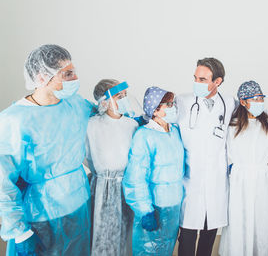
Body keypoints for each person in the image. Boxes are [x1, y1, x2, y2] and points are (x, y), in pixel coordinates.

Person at [0, 44, 94, 255]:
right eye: (67, 74)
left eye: (74, 72)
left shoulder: (75, 104)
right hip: (41, 214)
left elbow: (98, 115)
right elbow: (3, 183)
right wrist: (19, 231)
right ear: (42, 77)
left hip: (79, 205)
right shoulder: (14, 120)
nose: (75, 78)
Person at [176, 58, 236, 256]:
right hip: (190, 178)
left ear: (217, 81)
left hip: (216, 181)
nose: (196, 83)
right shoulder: (182, 101)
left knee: (209, 235)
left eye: (202, 79)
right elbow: (157, 114)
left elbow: (252, 114)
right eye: (195, 78)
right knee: (187, 234)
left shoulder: (228, 103)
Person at [218, 80, 268, 256]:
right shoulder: (232, 127)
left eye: (261, 98)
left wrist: (261, 165)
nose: (259, 102)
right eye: (255, 98)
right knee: (239, 220)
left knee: (263, 220)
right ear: (243, 101)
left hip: (262, 179)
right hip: (239, 180)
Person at [123, 86, 184, 256]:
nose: (173, 107)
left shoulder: (174, 131)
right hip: (155, 205)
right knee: (148, 249)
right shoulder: (144, 136)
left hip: (174, 203)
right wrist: (145, 210)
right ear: (155, 110)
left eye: (172, 103)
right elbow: (135, 178)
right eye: (168, 104)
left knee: (167, 247)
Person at [85, 79, 139, 255]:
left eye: (124, 95)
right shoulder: (92, 125)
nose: (123, 99)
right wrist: (102, 176)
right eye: (118, 96)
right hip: (102, 188)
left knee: (126, 233)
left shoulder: (132, 125)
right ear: (104, 101)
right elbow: (87, 157)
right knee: (103, 234)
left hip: (127, 187)